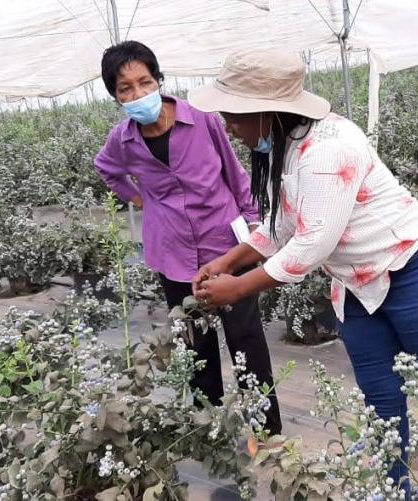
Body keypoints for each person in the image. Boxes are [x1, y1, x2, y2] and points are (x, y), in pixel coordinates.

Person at [187, 49, 418, 500]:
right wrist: (231, 260)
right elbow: (283, 225)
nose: (228, 126)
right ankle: (397, 491)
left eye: (234, 116)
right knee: (381, 400)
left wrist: (240, 287)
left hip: (414, 270)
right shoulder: (287, 147)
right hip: (357, 286)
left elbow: (311, 244)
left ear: (267, 111)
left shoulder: (327, 148)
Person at [93, 41, 282, 447]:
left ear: (159, 81)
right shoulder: (122, 141)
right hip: (173, 252)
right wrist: (140, 199)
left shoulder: (202, 120)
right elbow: (106, 170)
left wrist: (252, 222)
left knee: (245, 337)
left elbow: (235, 173)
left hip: (224, 244)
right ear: (115, 96)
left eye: (145, 81)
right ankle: (209, 427)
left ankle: (266, 432)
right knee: (196, 344)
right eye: (125, 88)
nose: (138, 93)